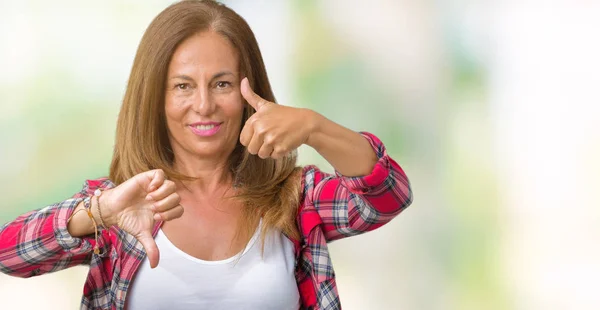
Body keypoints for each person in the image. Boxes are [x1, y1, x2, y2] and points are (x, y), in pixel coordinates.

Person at [0, 1, 412, 309]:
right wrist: (99, 212)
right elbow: (9, 254)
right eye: (182, 86)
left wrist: (314, 126)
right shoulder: (120, 205)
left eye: (222, 84)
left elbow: (388, 196)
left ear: (249, 93)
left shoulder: (296, 199)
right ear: (155, 98)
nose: (203, 105)